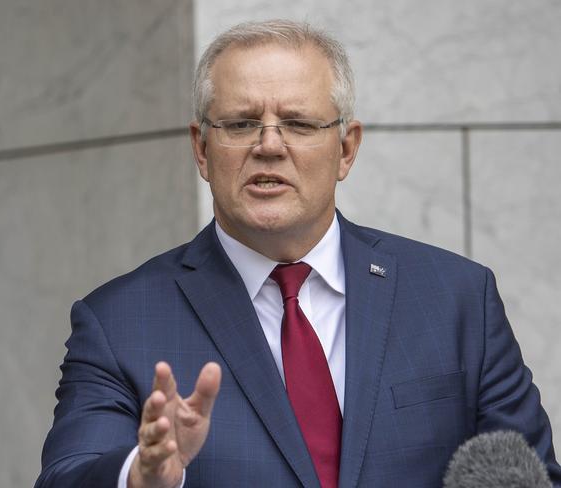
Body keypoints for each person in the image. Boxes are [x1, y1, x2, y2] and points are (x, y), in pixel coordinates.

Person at [35, 20, 561, 488]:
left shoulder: (456, 299)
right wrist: (142, 477)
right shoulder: (119, 321)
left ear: (346, 149)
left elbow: (531, 473)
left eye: (299, 123)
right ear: (201, 149)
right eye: (241, 123)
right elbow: (67, 474)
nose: (269, 144)